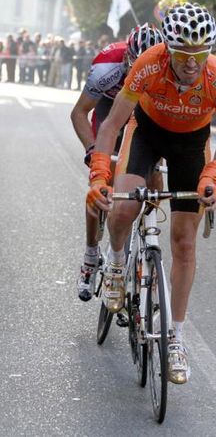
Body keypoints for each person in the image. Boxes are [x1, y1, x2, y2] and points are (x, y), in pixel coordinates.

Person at [84, 3, 216, 384]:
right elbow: (111, 126)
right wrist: (99, 177)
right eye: (183, 53)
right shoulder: (148, 65)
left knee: (184, 242)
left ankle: (175, 339)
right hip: (147, 134)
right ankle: (117, 263)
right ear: (168, 48)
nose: (191, 63)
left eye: (200, 54)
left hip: (192, 144)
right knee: (121, 210)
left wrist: (213, 178)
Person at [71, 23, 164, 301]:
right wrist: (93, 150)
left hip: (142, 116)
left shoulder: (164, 68)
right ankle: (90, 256)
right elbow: (78, 113)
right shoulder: (106, 67)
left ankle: (142, 240)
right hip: (109, 110)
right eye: (135, 65)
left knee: (155, 177)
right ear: (127, 59)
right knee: (100, 185)